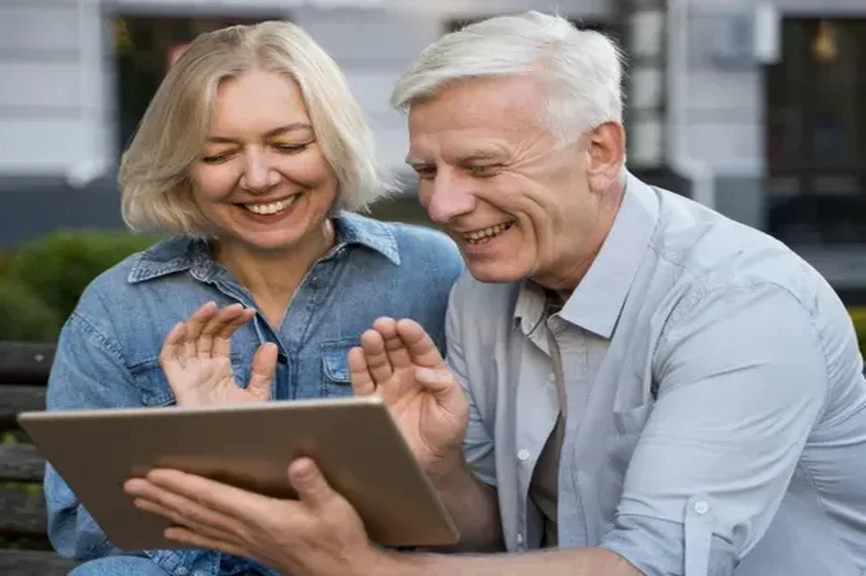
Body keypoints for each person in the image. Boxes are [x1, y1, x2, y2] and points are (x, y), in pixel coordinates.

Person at [121, 11, 866, 576]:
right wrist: (438, 469)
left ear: (600, 152)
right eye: (429, 172)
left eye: (481, 166)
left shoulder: (740, 305)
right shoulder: (485, 290)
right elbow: (487, 540)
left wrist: (363, 566)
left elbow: (648, 565)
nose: (444, 207)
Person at [44, 20, 464, 576]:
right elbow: (80, 527)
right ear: (182, 169)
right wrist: (210, 458)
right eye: (218, 155)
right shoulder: (119, 309)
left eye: (289, 144)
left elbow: (490, 501)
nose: (260, 177)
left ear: (335, 142)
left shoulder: (432, 273)